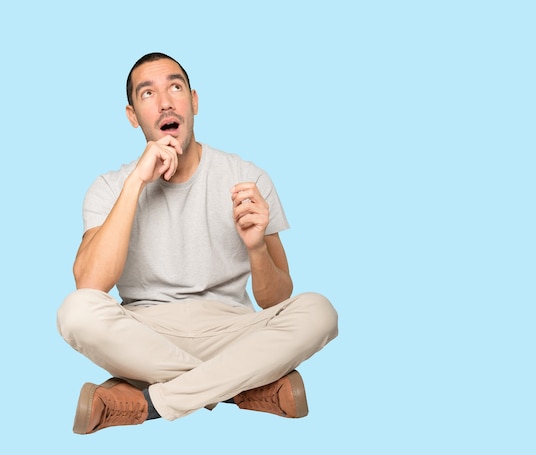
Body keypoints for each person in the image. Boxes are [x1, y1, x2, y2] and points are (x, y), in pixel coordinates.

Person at [56, 52, 338, 435]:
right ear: (132, 116)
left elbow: (278, 299)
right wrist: (136, 183)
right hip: (146, 335)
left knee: (319, 311)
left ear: (194, 101)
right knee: (75, 311)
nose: (166, 101)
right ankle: (241, 387)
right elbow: (89, 284)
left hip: (233, 331)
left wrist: (256, 248)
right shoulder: (109, 187)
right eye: (148, 94)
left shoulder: (246, 176)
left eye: (175, 87)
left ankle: (151, 403)